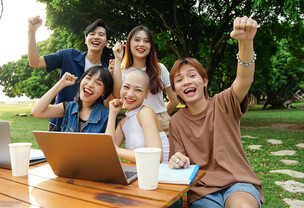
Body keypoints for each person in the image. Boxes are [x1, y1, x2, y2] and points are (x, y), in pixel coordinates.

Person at [168, 16, 264, 208]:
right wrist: (177, 159)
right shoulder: (177, 121)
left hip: (238, 183)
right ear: (176, 90)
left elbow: (244, 79)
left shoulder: (224, 102)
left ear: (204, 81)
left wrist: (245, 42)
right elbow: (178, 156)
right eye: (179, 80)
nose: (186, 82)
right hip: (202, 191)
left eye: (192, 76)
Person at [28, 16, 111, 131]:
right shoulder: (69, 55)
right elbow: (35, 62)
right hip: (58, 122)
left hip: (88, 127)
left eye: (101, 34)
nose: (96, 36)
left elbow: (106, 104)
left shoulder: (107, 72)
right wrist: (32, 32)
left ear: (107, 42)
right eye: (92, 33)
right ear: (85, 39)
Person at [111, 25, 178, 136]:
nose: (141, 44)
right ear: (129, 43)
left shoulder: (160, 69)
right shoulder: (122, 71)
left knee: (164, 153)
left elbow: (174, 100)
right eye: (137, 40)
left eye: (146, 41)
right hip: (134, 123)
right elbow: (117, 95)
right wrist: (118, 60)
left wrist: (161, 116)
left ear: (151, 45)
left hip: (160, 123)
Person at [105, 69, 169, 163]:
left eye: (138, 90)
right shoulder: (123, 123)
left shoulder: (145, 113)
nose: (130, 94)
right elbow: (107, 151)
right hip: (139, 172)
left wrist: (117, 151)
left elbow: (155, 156)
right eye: (126, 87)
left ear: (146, 94)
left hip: (159, 173)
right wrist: (112, 114)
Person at [31, 66, 113, 133]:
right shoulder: (69, 107)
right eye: (88, 78)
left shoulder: (108, 116)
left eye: (98, 83)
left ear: (104, 92)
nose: (90, 84)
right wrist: (61, 83)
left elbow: (110, 148)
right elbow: (37, 112)